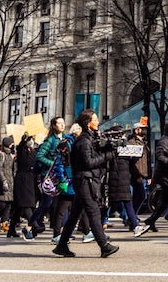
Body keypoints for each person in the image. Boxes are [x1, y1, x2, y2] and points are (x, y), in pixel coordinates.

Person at [52, 109, 119, 258]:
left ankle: (61, 246)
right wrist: (107, 156)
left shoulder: (88, 139)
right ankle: (104, 246)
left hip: (86, 181)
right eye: (95, 120)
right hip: (84, 181)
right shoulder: (83, 141)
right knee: (93, 212)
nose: (98, 122)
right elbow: (88, 162)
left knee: (74, 215)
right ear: (88, 124)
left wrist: (106, 149)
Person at [136, 122, 168, 235]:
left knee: (165, 202)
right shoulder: (164, 141)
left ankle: (151, 220)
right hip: (167, 177)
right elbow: (160, 156)